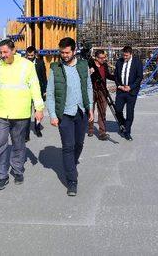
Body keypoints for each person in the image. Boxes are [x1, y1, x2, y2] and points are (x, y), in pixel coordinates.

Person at [0, 39, 44, 190]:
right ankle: (1, 174)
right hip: (1, 113)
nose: (3, 55)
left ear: (14, 50)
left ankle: (18, 169)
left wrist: (39, 108)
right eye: (1, 52)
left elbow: (35, 87)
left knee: (18, 143)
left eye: (5, 52)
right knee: (0, 142)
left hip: (20, 113)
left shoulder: (26, 66)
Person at [46, 37, 93, 196]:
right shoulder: (55, 68)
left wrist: (90, 108)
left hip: (81, 112)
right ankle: (72, 181)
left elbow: (88, 88)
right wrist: (52, 115)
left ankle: (70, 164)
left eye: (67, 52)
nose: (64, 55)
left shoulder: (83, 66)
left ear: (74, 51)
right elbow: (50, 94)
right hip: (64, 115)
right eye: (61, 52)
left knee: (79, 144)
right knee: (68, 146)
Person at [114, 45, 143, 141]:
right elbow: (116, 76)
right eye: (123, 55)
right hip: (121, 90)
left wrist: (130, 87)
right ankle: (123, 124)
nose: (124, 57)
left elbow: (139, 77)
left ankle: (127, 132)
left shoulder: (137, 63)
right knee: (117, 109)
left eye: (126, 55)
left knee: (130, 112)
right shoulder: (119, 62)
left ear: (131, 54)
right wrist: (119, 85)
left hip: (131, 92)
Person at [88, 49, 116, 140]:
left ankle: (102, 132)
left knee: (102, 111)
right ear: (96, 58)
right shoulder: (90, 65)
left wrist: (117, 78)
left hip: (102, 91)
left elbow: (107, 75)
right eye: (101, 58)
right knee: (90, 110)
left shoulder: (104, 65)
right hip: (92, 90)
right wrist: (90, 72)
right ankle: (91, 129)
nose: (103, 59)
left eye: (104, 57)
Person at [24, 45, 47, 140]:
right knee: (26, 113)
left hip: (38, 91)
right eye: (28, 55)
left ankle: (37, 129)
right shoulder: (23, 63)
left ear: (35, 54)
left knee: (38, 111)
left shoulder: (40, 63)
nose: (30, 57)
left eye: (31, 55)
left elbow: (43, 77)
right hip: (26, 92)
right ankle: (26, 134)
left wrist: (45, 90)